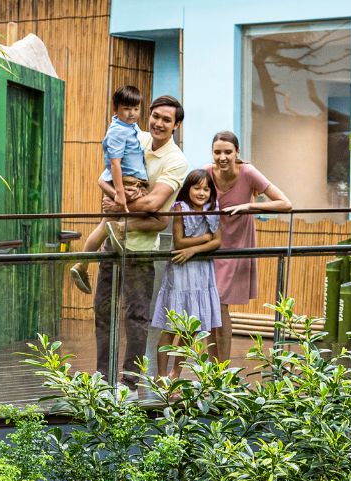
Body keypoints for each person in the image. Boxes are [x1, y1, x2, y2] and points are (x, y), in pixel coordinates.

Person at [93, 95, 188, 389]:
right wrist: (117, 195)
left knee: (136, 315)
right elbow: (107, 175)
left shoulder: (176, 161)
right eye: (155, 116)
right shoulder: (137, 137)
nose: (159, 123)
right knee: (103, 309)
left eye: (166, 120)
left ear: (176, 125)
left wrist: (117, 205)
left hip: (141, 248)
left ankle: (130, 381)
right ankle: (103, 376)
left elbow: (154, 204)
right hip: (112, 241)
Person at [206, 131, 292, 362]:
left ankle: (222, 369)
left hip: (236, 245)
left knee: (220, 303)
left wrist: (249, 207)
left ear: (237, 152)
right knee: (211, 306)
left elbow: (285, 203)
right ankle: (212, 368)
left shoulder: (248, 172)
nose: (222, 157)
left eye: (228, 152)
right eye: (217, 152)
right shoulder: (206, 173)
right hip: (210, 244)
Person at [69, 85, 147, 296]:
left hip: (125, 181)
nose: (132, 113)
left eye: (136, 109)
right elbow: (115, 164)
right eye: (126, 109)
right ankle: (84, 263)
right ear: (115, 109)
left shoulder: (130, 127)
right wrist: (119, 193)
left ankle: (82, 264)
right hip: (127, 182)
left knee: (104, 226)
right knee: (142, 218)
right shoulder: (118, 131)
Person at [149, 169, 222, 380]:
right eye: (197, 188)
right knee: (172, 327)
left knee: (192, 328)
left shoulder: (213, 209)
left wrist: (194, 250)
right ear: (188, 189)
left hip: (202, 271)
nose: (201, 193)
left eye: (206, 189)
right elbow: (179, 242)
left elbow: (217, 241)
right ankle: (161, 375)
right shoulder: (180, 208)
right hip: (181, 272)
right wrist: (204, 239)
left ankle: (175, 374)